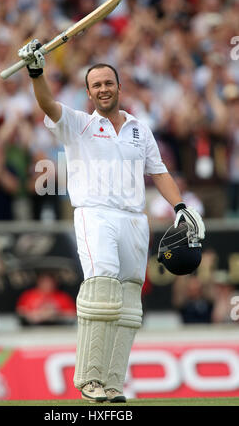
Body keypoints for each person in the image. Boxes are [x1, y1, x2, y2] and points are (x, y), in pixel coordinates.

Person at [18, 39, 205, 403]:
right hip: (95, 214)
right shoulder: (79, 125)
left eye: (108, 83)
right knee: (101, 287)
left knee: (129, 302)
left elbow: (160, 173)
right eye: (96, 85)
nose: (103, 89)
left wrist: (182, 207)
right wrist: (36, 71)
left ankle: (113, 384)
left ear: (119, 86)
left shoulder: (139, 128)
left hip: (135, 220)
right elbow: (46, 103)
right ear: (88, 94)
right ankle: (88, 378)